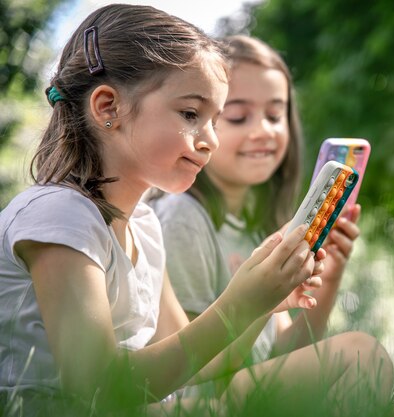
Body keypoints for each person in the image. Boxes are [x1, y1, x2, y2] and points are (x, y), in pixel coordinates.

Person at [0, 4, 393, 417]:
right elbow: (97, 385)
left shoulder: (145, 227)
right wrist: (239, 304)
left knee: (361, 358)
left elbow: (197, 366)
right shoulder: (60, 215)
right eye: (191, 114)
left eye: (215, 120)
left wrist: (260, 302)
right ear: (107, 107)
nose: (211, 140)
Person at [150, 35, 363, 366]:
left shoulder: (257, 222)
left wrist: (330, 275)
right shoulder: (182, 219)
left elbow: (282, 355)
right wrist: (259, 301)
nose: (264, 130)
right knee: (357, 356)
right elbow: (188, 377)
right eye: (237, 116)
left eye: (275, 116)